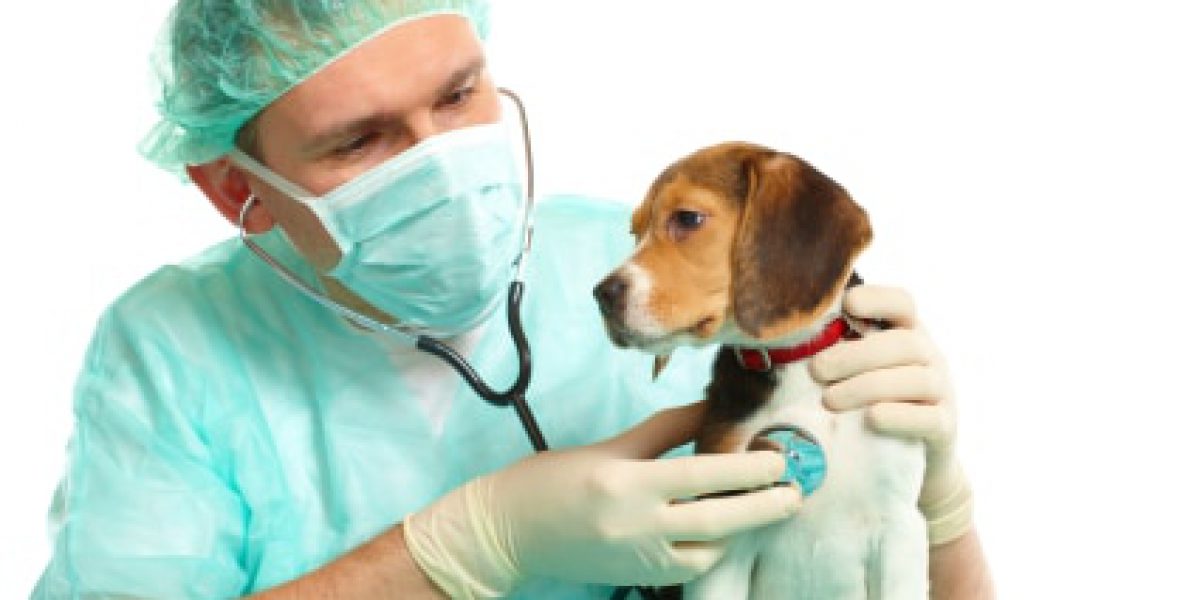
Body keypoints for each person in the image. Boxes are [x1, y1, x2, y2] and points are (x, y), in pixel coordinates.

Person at [33, 1, 993, 598]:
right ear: (237, 189)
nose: (443, 165)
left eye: (458, 96)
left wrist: (934, 502)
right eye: (360, 141)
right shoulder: (170, 357)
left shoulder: (630, 265)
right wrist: (459, 549)